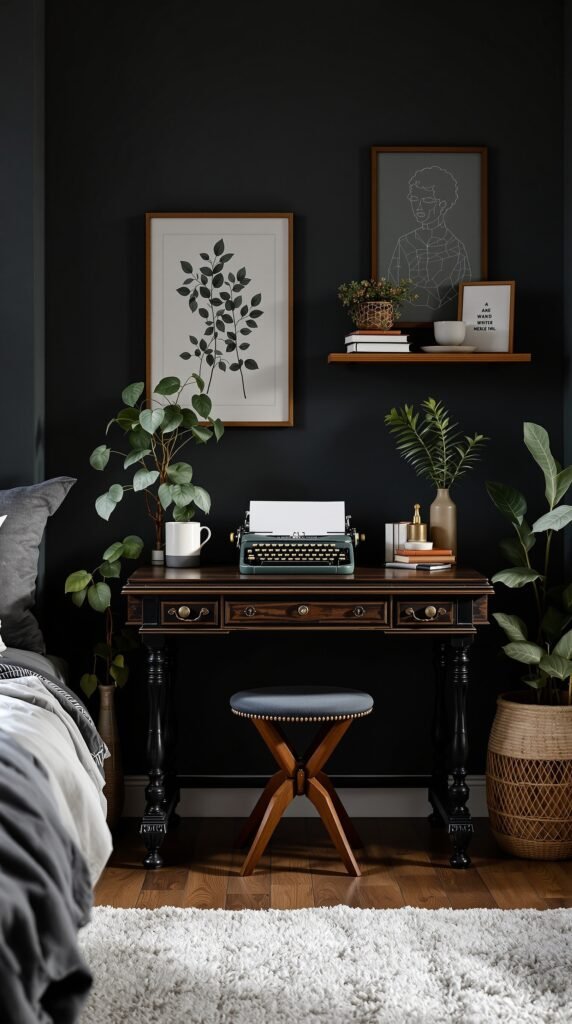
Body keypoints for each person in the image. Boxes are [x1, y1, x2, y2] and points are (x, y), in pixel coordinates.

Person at [388, 165, 471, 311]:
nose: (418, 206)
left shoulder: (456, 248)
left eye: (427, 200)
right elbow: (395, 282)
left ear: (443, 204)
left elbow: (461, 290)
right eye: (414, 199)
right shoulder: (405, 243)